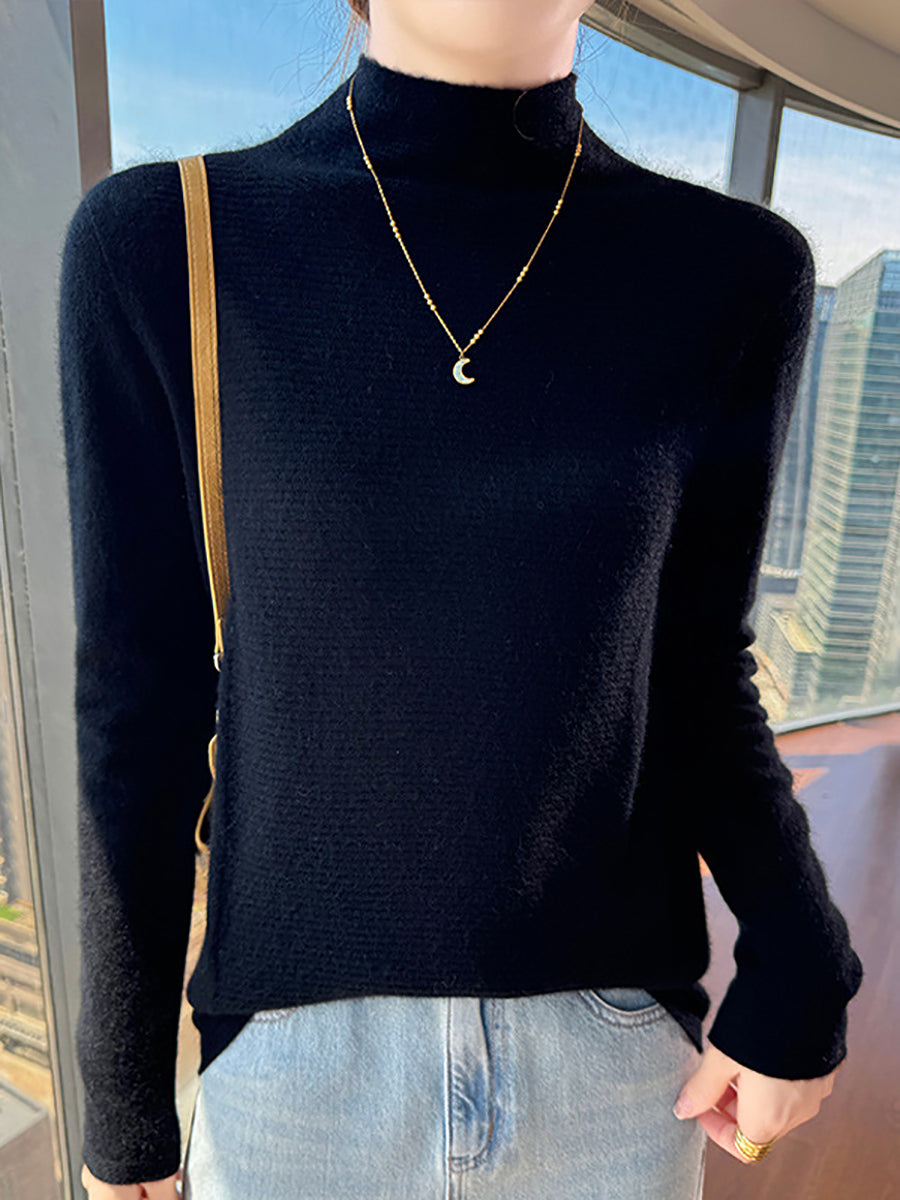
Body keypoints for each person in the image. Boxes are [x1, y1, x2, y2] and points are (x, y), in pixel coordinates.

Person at [59, 1, 864, 1197]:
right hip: (293, 1084)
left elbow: (695, 667)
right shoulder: (163, 242)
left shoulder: (732, 272)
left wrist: (801, 962)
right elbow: (142, 698)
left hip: (613, 1068)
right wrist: (125, 1097)